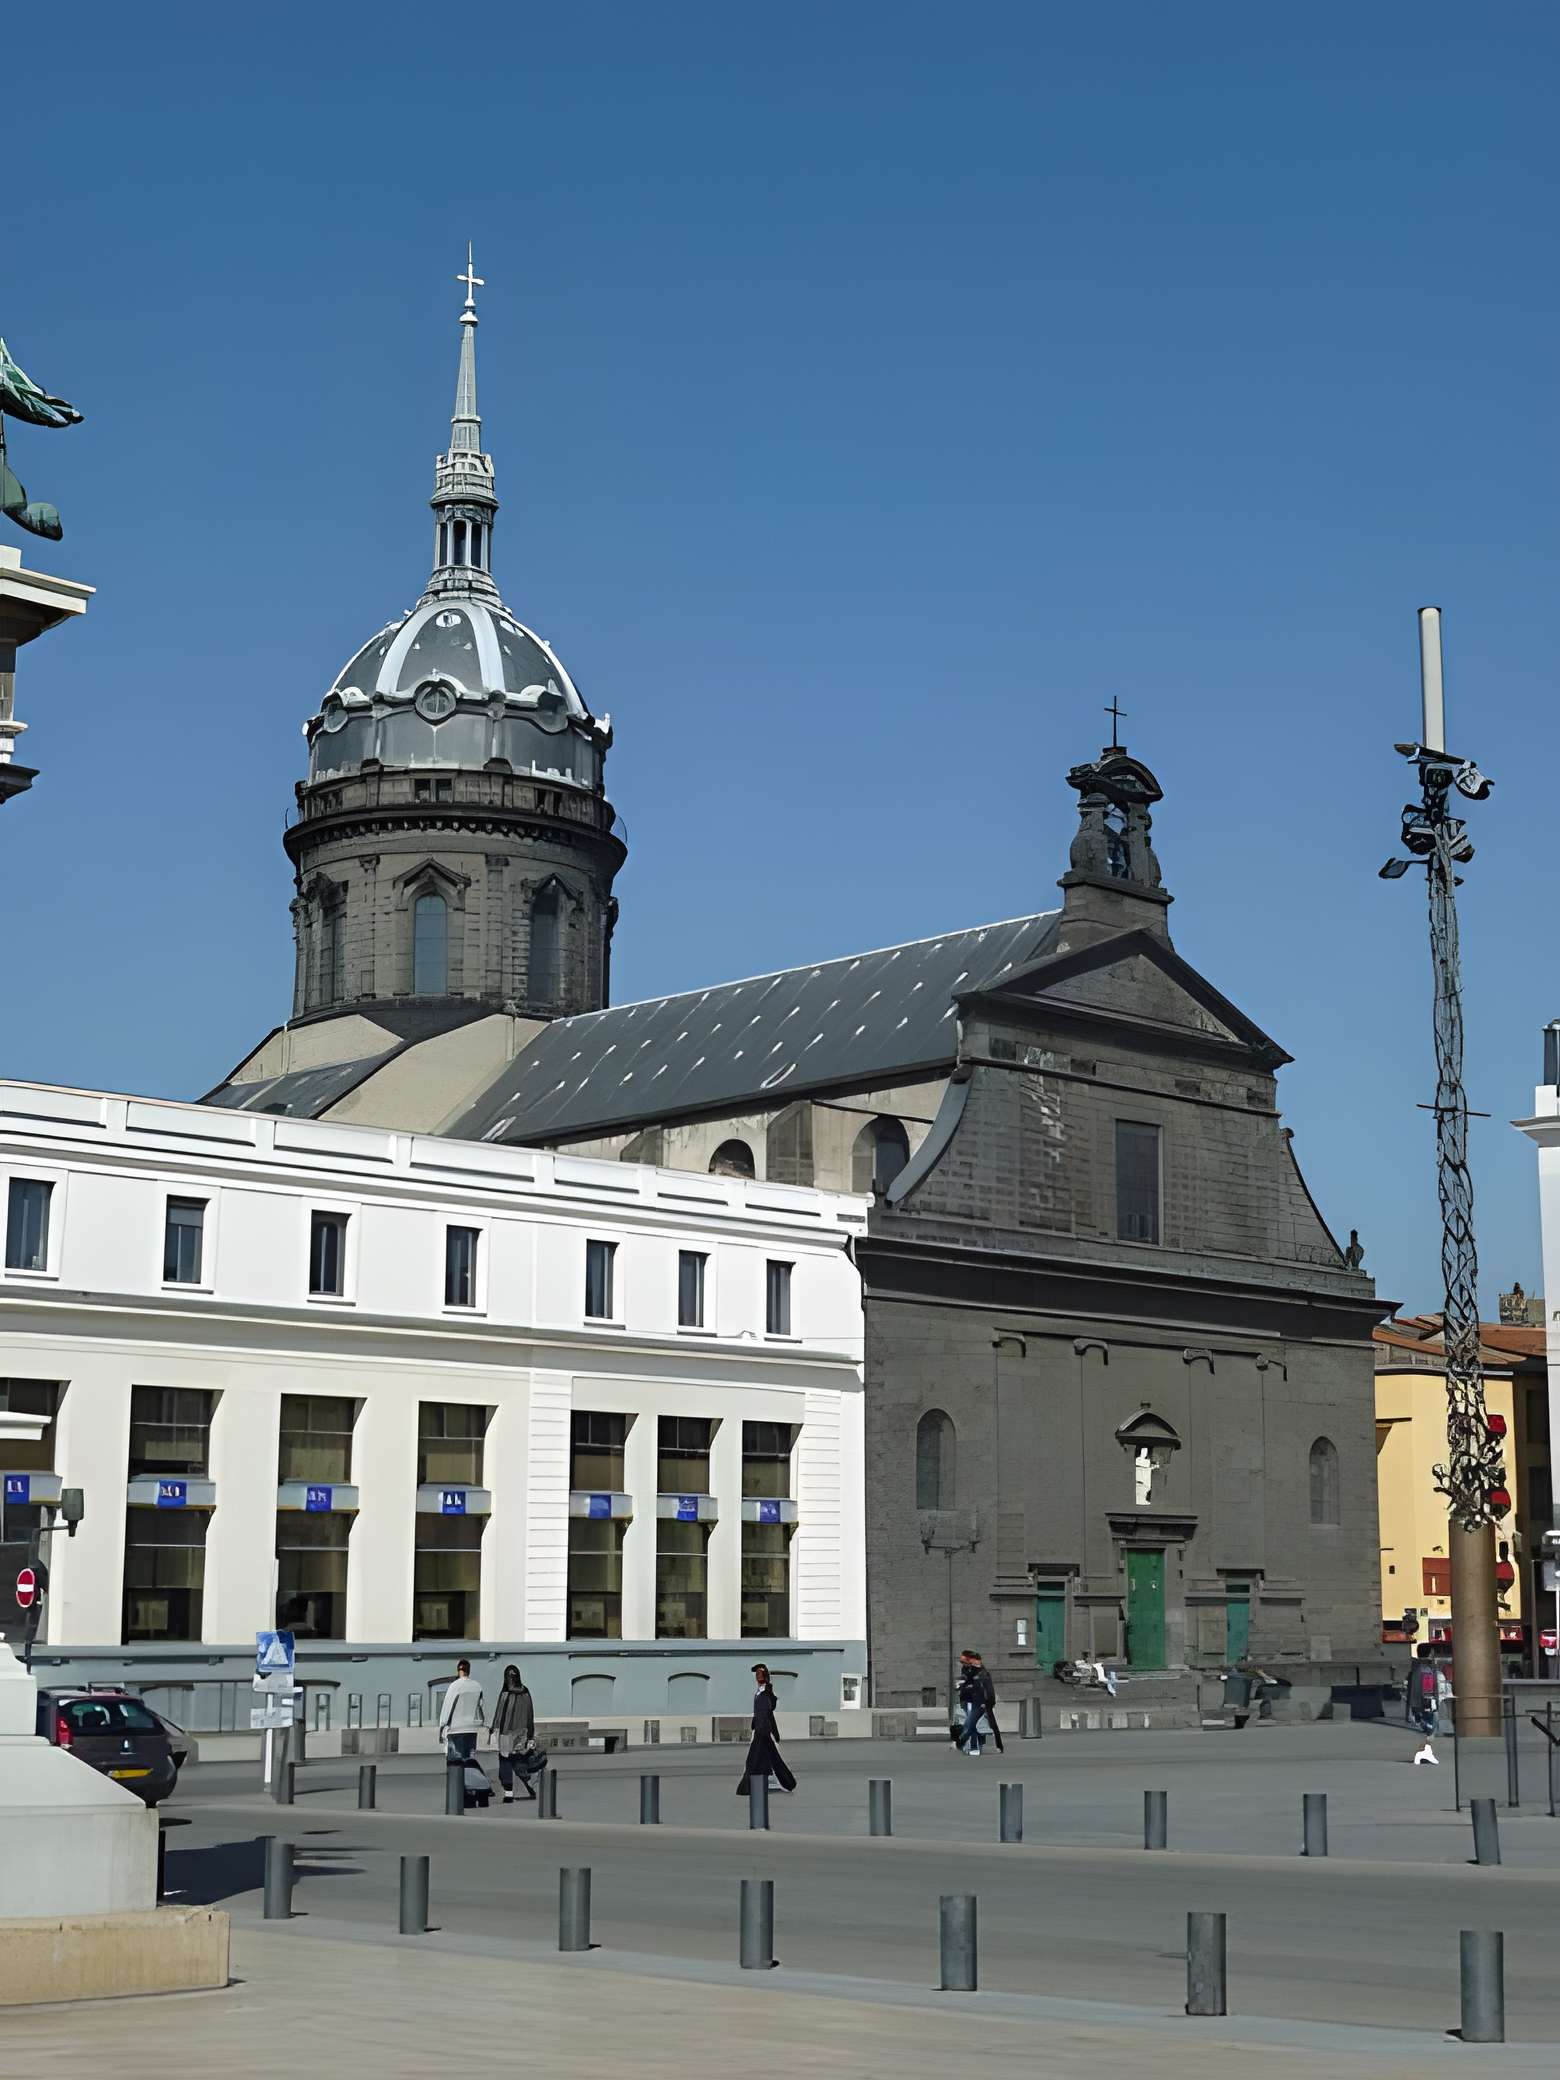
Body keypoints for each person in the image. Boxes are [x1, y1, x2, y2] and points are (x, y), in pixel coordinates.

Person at [736, 1661, 797, 1795]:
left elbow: (767, 1714)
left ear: (765, 1676)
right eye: (756, 1674)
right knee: (769, 1759)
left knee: (755, 1760)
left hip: (763, 1732)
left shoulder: (766, 1694)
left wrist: (767, 1731)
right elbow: (761, 1714)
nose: (757, 1676)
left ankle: (750, 1786)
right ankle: (786, 1783)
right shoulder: (759, 1693)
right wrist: (755, 1727)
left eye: (760, 1674)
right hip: (760, 1731)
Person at [490, 1662, 535, 1802]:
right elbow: (530, 1713)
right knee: (519, 1759)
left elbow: (500, 1713)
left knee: (505, 1761)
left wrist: (493, 1728)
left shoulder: (506, 1693)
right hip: (522, 1731)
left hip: (506, 1732)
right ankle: (528, 1785)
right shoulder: (525, 1691)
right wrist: (530, 1733)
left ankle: (509, 1793)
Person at [437, 1657, 486, 1765]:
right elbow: (481, 1706)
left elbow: (447, 1707)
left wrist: (442, 1726)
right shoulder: (477, 1686)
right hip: (471, 1729)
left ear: (459, 1671)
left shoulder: (454, 1686)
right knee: (469, 1762)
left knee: (455, 1765)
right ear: (469, 1670)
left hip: (456, 1729)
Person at [1409, 1642, 1440, 1765]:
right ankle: (1422, 1753)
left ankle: (1425, 1753)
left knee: (1425, 1730)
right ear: (1430, 1654)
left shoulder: (1416, 1668)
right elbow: (1427, 1691)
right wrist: (1432, 1705)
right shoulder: (1427, 1670)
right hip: (1426, 1704)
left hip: (1417, 1704)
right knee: (1431, 1730)